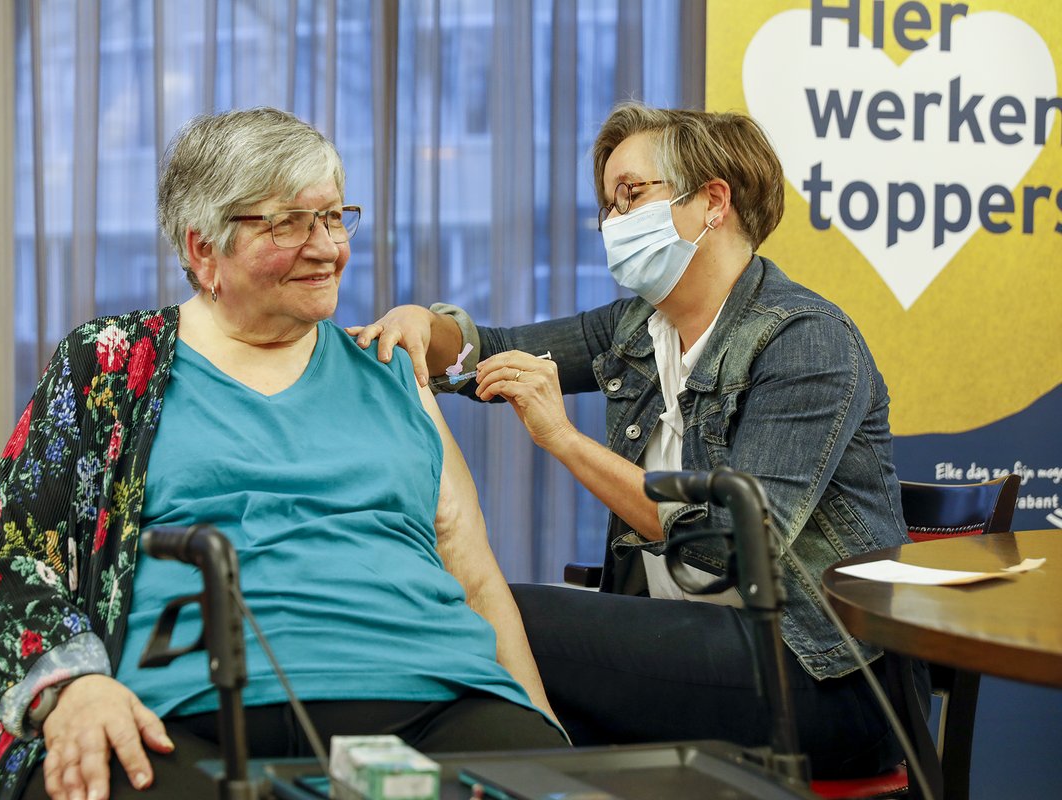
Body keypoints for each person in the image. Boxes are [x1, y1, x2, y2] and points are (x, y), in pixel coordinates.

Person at [0, 107, 565, 800]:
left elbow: (476, 577)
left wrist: (547, 734)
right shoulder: (113, 366)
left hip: (436, 701)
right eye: (288, 224)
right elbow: (8, 554)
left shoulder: (393, 371)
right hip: (183, 717)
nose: (326, 247)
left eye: (333, 218)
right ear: (203, 250)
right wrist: (75, 687)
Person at [347, 103, 925, 780]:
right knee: (501, 682)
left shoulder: (805, 340)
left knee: (500, 617)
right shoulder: (636, 329)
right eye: (607, 206)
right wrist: (424, 324)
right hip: (700, 650)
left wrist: (563, 439)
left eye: (630, 195)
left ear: (713, 202)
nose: (612, 222)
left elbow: (728, 544)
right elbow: (492, 350)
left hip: (825, 677)